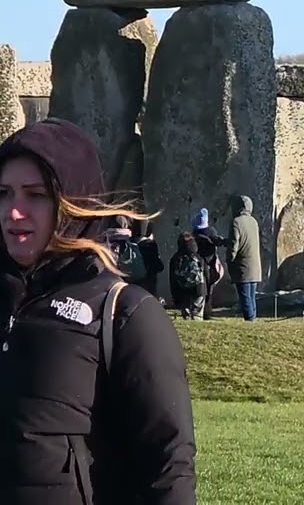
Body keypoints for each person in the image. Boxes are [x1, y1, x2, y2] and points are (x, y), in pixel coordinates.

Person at [0, 117, 197, 503]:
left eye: (35, 195)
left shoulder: (124, 313)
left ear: (76, 203)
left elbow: (168, 464)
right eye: (4, 193)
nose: (14, 211)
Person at [225, 195, 262, 322]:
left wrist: (229, 259)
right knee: (251, 297)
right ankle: (253, 320)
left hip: (242, 265)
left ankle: (250, 322)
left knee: (245, 298)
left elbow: (235, 244)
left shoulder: (236, 222)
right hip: (255, 266)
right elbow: (247, 240)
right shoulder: (254, 222)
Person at [191, 207, 225, 319]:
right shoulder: (211, 231)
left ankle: (199, 309)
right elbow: (217, 242)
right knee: (209, 288)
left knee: (201, 288)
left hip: (199, 262)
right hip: (210, 262)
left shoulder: (194, 234)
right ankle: (207, 311)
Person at [169, 232, 207, 320]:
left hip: (182, 291)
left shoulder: (175, 258)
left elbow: (172, 280)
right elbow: (206, 275)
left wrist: (176, 298)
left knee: (187, 318)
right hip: (199, 290)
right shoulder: (198, 257)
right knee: (197, 317)